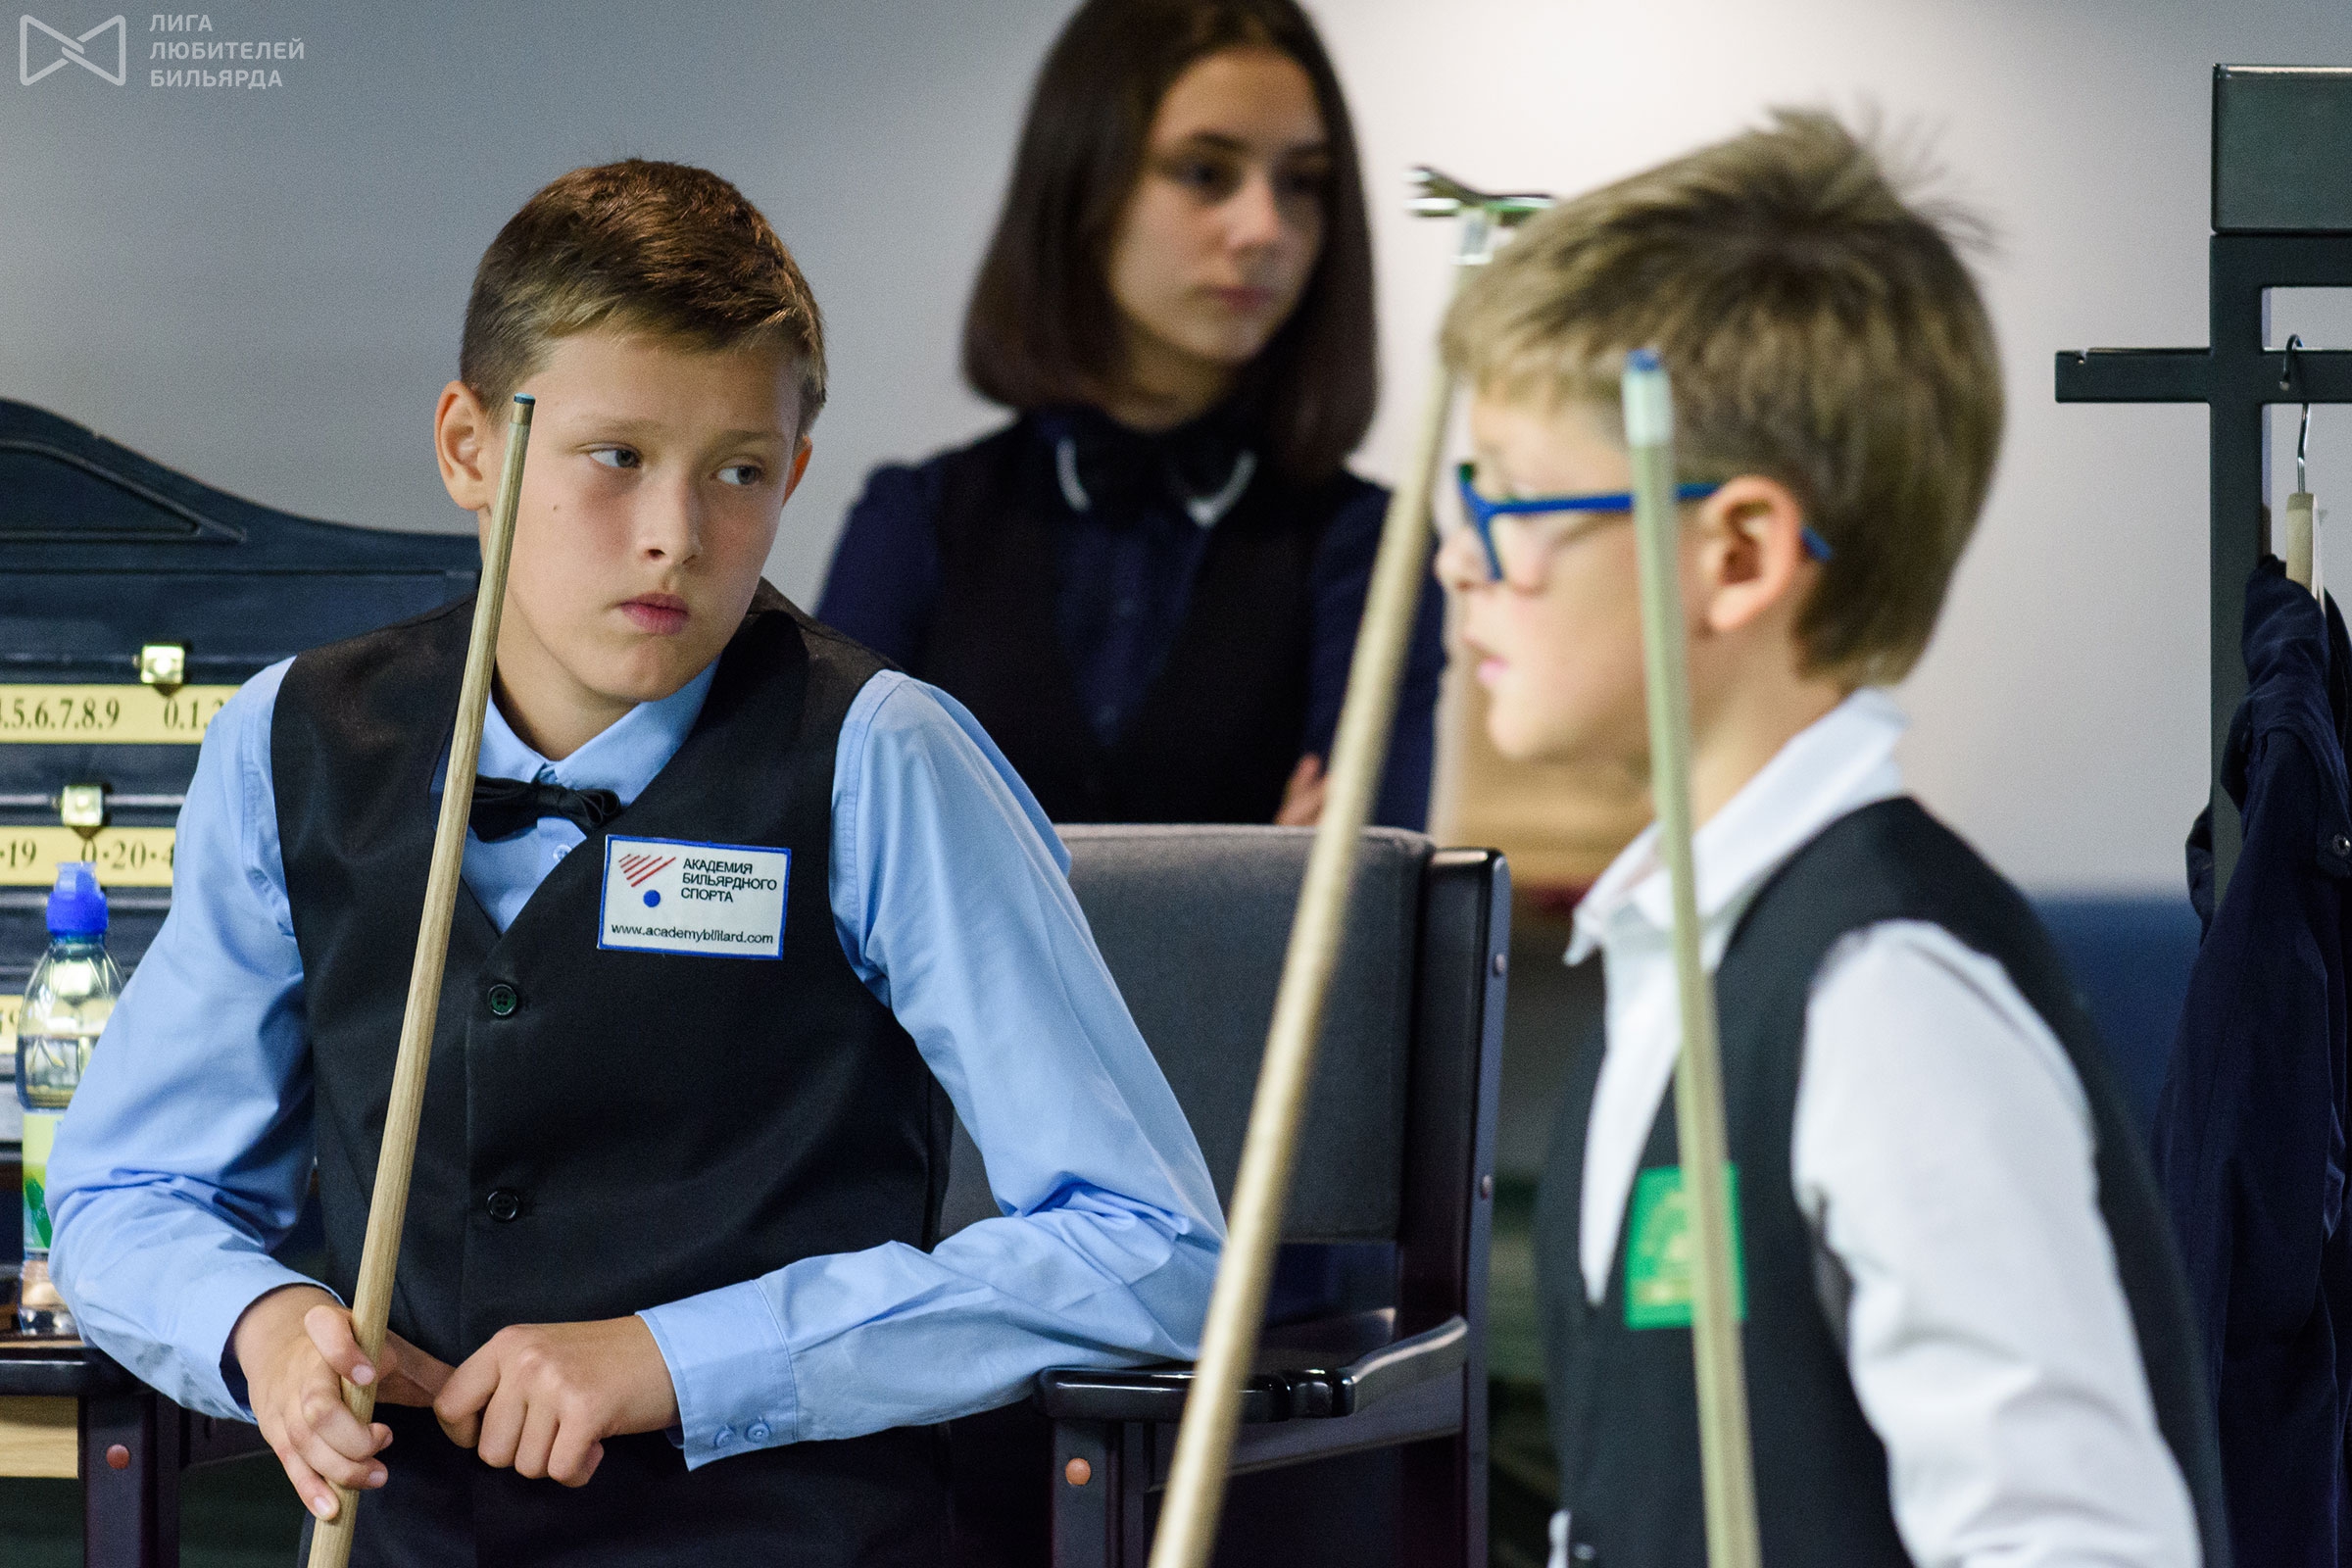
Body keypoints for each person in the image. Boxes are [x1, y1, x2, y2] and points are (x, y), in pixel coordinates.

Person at [45, 160, 1221, 1565]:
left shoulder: (882, 755)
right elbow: (124, 1198)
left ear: (793, 475)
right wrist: (262, 1322)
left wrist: (682, 1356)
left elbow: (1148, 1245)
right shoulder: (289, 741)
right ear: (470, 449)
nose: (676, 535)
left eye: (738, 472)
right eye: (616, 458)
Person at [1432, 113, 2229, 1567]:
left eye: (1510, 498)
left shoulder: (1882, 995)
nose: (1455, 556)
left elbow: (2079, 1543)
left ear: (1737, 554)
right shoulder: (1675, 951)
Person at [817, 0, 1444, 830]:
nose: (1266, 229)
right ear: (1083, 182)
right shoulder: (916, 518)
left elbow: (1361, 892)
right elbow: (838, 854)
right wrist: (1256, 877)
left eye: (1302, 183)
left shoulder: (1372, 547)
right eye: (1205, 172)